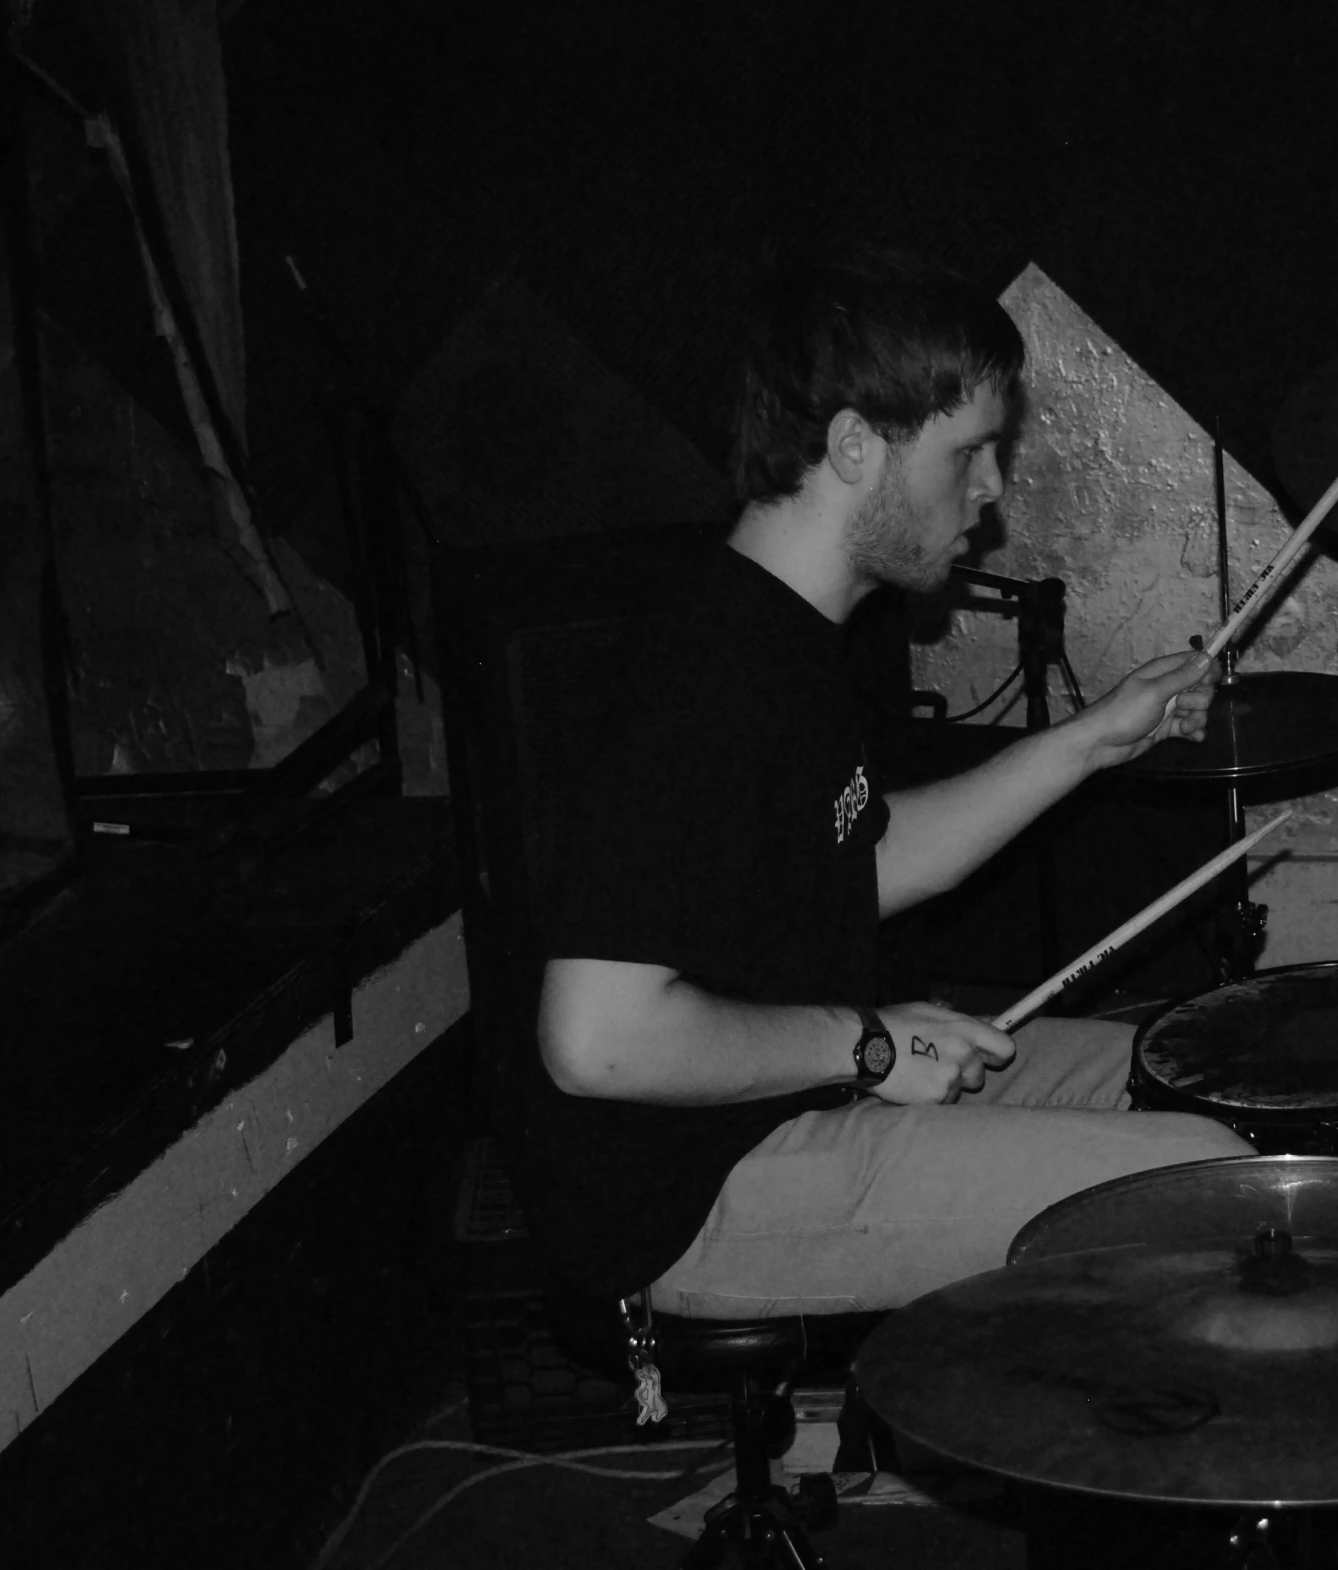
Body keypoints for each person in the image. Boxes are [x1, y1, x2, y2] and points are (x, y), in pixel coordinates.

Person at [520, 243, 1255, 1318]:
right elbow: (595, 1039)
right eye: (969, 452)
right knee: (1201, 1182)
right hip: (695, 1184)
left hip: (799, 1092)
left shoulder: (793, 636)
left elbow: (861, 866)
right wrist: (867, 1045)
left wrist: (1097, 740)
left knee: (1193, 1067)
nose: (992, 491)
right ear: (855, 446)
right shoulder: (701, 674)